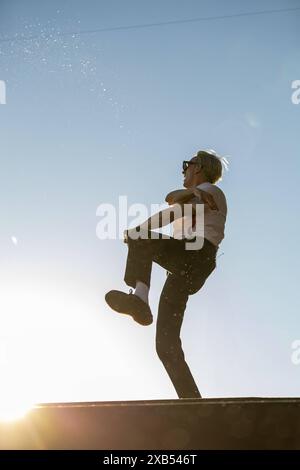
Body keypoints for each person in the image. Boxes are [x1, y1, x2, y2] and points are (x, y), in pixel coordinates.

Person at [105, 150, 228, 398]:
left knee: (142, 238)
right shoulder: (194, 197)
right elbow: (170, 210)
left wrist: (139, 231)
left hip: (197, 255)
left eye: (187, 165)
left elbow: (173, 205)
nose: (183, 170)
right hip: (184, 269)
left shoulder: (211, 191)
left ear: (199, 168)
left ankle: (139, 298)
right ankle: (192, 402)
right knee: (166, 346)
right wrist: (140, 230)